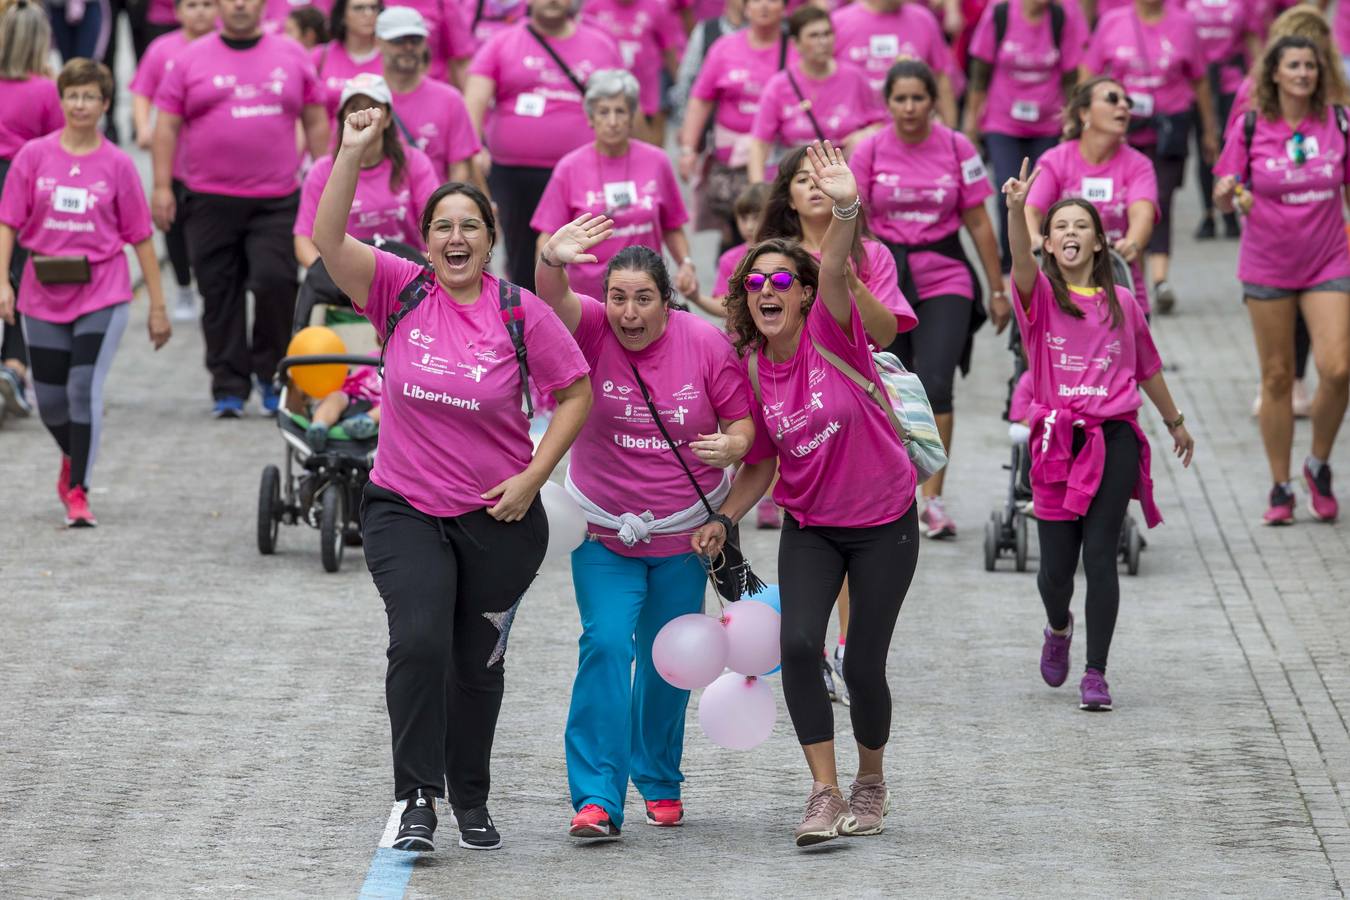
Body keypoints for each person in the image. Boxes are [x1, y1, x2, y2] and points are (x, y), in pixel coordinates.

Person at [312, 106, 593, 854]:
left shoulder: (519, 313)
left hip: (500, 520)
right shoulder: (399, 291)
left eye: (470, 226)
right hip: (404, 507)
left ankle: (470, 796)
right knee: (420, 640)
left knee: (477, 666)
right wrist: (350, 151)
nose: (456, 238)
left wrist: (536, 477)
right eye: (443, 226)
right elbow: (329, 238)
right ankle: (415, 798)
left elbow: (577, 392)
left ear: (491, 238)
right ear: (426, 237)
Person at [692, 142, 918, 848]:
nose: (767, 289)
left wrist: (845, 206)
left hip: (885, 520)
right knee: (797, 644)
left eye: (782, 279)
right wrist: (724, 518)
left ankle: (871, 779)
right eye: (755, 281)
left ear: (803, 292)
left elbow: (841, 264)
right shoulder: (753, 369)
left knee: (864, 664)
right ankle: (823, 791)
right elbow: (759, 463)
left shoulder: (832, 329)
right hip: (813, 526)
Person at [533, 218, 753, 839]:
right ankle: (598, 798)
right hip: (603, 532)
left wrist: (729, 443)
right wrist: (552, 258)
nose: (629, 313)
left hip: (686, 538)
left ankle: (658, 779)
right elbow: (549, 297)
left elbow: (744, 427)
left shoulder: (704, 344)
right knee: (605, 645)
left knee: (667, 662)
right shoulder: (591, 329)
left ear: (667, 299)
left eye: (643, 298)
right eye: (618, 298)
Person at [1003, 160, 1193, 711]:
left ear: (1098, 243)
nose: (1069, 234)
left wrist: (1176, 422)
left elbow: (1149, 368)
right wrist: (1018, 211)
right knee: (1056, 572)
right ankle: (1058, 627)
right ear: (1049, 241)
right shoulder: (1038, 297)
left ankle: (1096, 673)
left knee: (1102, 557)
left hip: (1114, 439)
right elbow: (1019, 258)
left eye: (1080, 226)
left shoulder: (1124, 304)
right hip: (1056, 444)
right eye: (1060, 225)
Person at [0, 59, 172, 526]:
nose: (80, 104)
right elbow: (9, 222)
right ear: (61, 101)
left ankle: (78, 489)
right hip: (42, 288)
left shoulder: (116, 164)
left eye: (89, 96)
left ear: (104, 104)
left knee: (82, 387)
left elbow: (140, 237)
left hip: (102, 289)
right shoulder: (33, 156)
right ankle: (73, 455)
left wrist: (157, 306)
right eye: (73, 95)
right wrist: (2, 282)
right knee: (51, 400)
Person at [852, 60, 1009, 540]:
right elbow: (849, 216)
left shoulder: (958, 147)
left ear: (933, 102)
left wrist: (998, 286)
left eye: (918, 98)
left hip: (945, 274)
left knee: (936, 383)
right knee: (886, 387)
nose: (909, 108)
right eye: (900, 99)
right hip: (885, 277)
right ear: (888, 103)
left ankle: (932, 500)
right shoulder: (871, 148)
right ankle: (890, 490)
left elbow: (980, 221)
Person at [151, 0, 329, 418]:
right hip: (208, 198)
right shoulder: (190, 58)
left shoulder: (291, 54)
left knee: (275, 282)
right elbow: (167, 124)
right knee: (218, 291)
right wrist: (161, 186)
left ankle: (272, 375)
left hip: (278, 198)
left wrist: (324, 182)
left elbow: (316, 118)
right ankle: (228, 384)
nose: (240, 5)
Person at [1214, 34, 1350, 525]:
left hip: (1328, 260)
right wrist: (1229, 194)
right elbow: (1224, 194)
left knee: (1337, 369)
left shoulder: (1337, 122)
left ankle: (1318, 463)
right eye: (1293, 65)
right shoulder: (1252, 125)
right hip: (1268, 265)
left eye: (1310, 66)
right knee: (1276, 376)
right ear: (1273, 73)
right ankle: (1280, 486)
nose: (1302, 73)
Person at [465, 0, 622, 293]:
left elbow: (624, 103)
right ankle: (526, 326)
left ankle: (589, 322)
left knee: (589, 253)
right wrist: (476, 150)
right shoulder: (502, 44)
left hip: (585, 171)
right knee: (523, 259)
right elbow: (472, 103)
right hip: (516, 176)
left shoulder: (600, 45)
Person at [1082, 0, 1219, 314]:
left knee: (1160, 199)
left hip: (1169, 126)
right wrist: (1083, 120)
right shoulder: (1112, 21)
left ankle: (1159, 279)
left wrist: (1209, 130)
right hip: (1122, 131)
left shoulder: (1184, 23)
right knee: (1128, 203)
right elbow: (1089, 71)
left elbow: (1199, 80)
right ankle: (1135, 274)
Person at [531, 70, 695, 302]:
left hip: (645, 294)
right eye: (603, 112)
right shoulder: (569, 168)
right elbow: (547, 238)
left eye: (620, 111)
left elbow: (673, 225)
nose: (613, 121)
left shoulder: (657, 161)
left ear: (631, 116)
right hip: (586, 299)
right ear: (590, 118)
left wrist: (686, 264)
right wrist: (551, 290)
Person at [963, 0, 1087, 272]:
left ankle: (1045, 255)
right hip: (1002, 120)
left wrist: (1072, 120)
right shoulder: (1001, 13)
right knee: (1008, 189)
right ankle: (1012, 260)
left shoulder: (1059, 16)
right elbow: (980, 73)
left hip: (1048, 123)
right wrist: (972, 124)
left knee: (1043, 193)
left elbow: (1070, 75)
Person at [1025, 77, 1158, 315]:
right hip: (1062, 293)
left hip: (1119, 285)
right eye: (1112, 99)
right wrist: (1034, 237)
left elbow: (1143, 214)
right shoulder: (1055, 160)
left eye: (1127, 101)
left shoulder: (1139, 165)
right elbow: (1031, 210)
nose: (1124, 106)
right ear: (1084, 113)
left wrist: (1133, 242)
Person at [678, 0, 789, 252]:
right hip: (730, 167)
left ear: (784, 8)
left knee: (778, 235)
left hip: (778, 159)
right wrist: (688, 149)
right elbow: (701, 100)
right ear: (745, 7)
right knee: (736, 236)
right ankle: (729, 284)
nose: (764, 6)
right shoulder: (724, 48)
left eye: (771, 1)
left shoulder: (794, 48)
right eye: (755, 1)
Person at [294, 74, 439, 265]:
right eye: (354, 107)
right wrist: (325, 279)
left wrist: (426, 265)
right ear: (342, 118)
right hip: (346, 282)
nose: (363, 114)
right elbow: (303, 240)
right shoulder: (322, 171)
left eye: (372, 106)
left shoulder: (414, 162)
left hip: (407, 273)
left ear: (387, 118)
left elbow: (435, 223)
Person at [130, 0, 216, 324]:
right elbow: (142, 91)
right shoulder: (162, 49)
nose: (200, 12)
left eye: (208, 4)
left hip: (214, 167)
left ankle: (212, 286)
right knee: (173, 225)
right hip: (173, 162)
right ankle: (182, 286)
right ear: (177, 12)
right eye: (192, 5)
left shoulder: (228, 45)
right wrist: (142, 126)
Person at [0, 0, 63, 421]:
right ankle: (15, 365)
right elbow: (58, 145)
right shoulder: (45, 90)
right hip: (24, 183)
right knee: (20, 277)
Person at [747, 5, 885, 184]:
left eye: (827, 34)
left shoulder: (855, 77)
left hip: (846, 179)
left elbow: (883, 124)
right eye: (814, 36)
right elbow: (759, 143)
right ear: (796, 43)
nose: (823, 41)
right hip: (798, 182)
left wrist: (867, 134)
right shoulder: (779, 85)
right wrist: (757, 190)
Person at [377, 6, 479, 184]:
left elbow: (460, 168)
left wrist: (445, 209)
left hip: (434, 205)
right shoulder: (365, 96)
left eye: (416, 39)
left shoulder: (450, 99)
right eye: (398, 40)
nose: (408, 47)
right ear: (378, 42)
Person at [1185, 0, 1255, 242]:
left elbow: (1251, 38)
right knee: (1205, 146)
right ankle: (1208, 214)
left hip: (1232, 83)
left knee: (1232, 148)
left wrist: (1260, 79)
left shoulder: (1242, 4)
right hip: (1197, 84)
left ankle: (1230, 211)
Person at [832, 0, 959, 125]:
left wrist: (950, 133)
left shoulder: (923, 19)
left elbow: (942, 79)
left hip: (913, 127)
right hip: (858, 130)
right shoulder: (839, 22)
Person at [581, 0, 686, 146]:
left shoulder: (657, 6)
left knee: (651, 147)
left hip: (648, 93)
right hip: (607, 94)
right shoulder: (593, 5)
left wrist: (681, 87)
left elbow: (668, 48)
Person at [314, 0, 384, 119]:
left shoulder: (389, 58)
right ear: (342, 16)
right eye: (358, 8)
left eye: (373, 8)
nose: (368, 13)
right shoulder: (320, 56)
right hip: (331, 136)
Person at [305, 348, 381, 451]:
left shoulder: (404, 362)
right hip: (355, 394)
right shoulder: (373, 355)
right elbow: (356, 377)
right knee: (335, 397)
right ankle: (318, 427)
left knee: (388, 407)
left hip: (380, 402)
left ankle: (363, 423)